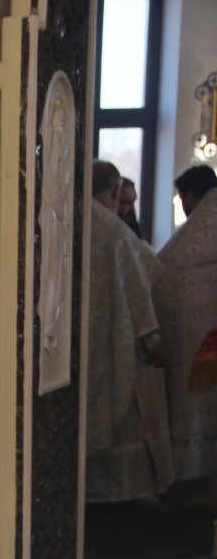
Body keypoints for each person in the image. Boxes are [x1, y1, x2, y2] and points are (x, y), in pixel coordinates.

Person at [86, 160, 172, 502]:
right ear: (113, 191)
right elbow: (138, 293)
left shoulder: (63, 217)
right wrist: (151, 341)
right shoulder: (114, 231)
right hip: (110, 340)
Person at [152, 164, 217, 485]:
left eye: (181, 199)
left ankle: (195, 463)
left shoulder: (200, 231)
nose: (183, 205)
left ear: (192, 195)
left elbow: (161, 269)